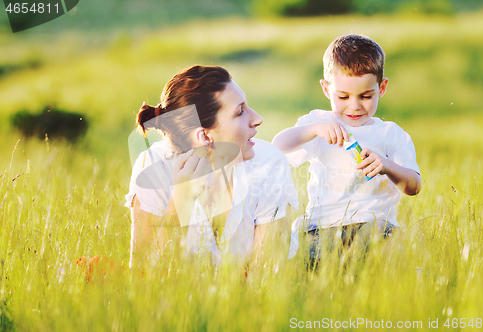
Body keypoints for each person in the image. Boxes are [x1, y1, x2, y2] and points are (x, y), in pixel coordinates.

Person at [125, 65, 298, 269]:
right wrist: (180, 199)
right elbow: (146, 275)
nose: (257, 119)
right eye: (240, 112)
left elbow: (265, 275)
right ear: (205, 136)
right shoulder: (154, 167)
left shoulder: (268, 163)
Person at [272, 34, 421, 261]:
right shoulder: (319, 123)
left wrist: (387, 166)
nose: (354, 106)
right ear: (326, 89)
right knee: (306, 263)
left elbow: (414, 185)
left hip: (374, 223)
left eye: (366, 96)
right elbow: (278, 147)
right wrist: (313, 130)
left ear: (382, 88)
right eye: (343, 96)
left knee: (382, 253)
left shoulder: (390, 134)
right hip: (322, 225)